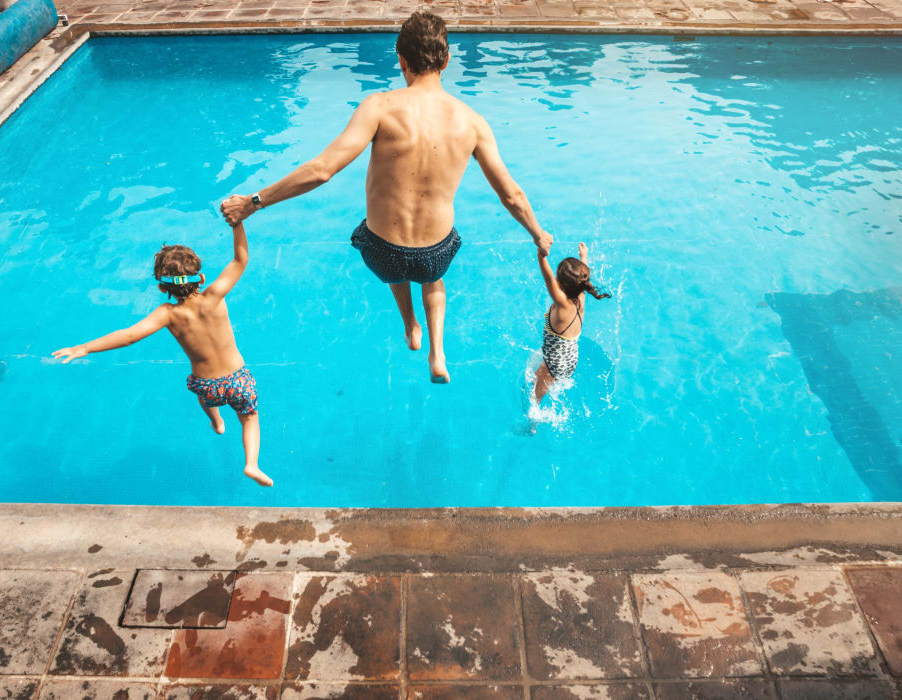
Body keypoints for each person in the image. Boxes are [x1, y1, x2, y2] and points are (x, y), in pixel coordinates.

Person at [220, 12, 552, 384]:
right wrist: (537, 233)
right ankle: (437, 352)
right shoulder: (473, 122)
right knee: (433, 278)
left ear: (401, 60)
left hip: (382, 251)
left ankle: (411, 327)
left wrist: (252, 202)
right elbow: (511, 194)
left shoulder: (379, 107)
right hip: (435, 253)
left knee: (393, 261)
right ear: (446, 61)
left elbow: (322, 170)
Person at [52, 221, 272, 487]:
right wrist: (237, 224)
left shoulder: (167, 314)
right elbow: (240, 259)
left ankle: (216, 422)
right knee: (249, 419)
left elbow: (129, 336)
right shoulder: (215, 294)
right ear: (201, 278)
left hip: (207, 384)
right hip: (237, 379)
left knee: (205, 396)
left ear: (162, 288)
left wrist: (84, 347)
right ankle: (251, 464)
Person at [533, 242, 611, 403]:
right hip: (569, 358)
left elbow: (548, 279)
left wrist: (541, 256)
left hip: (555, 363)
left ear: (559, 284)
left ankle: (532, 426)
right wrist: (584, 257)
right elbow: (581, 279)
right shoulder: (581, 297)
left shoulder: (562, 304)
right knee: (536, 376)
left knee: (535, 396)